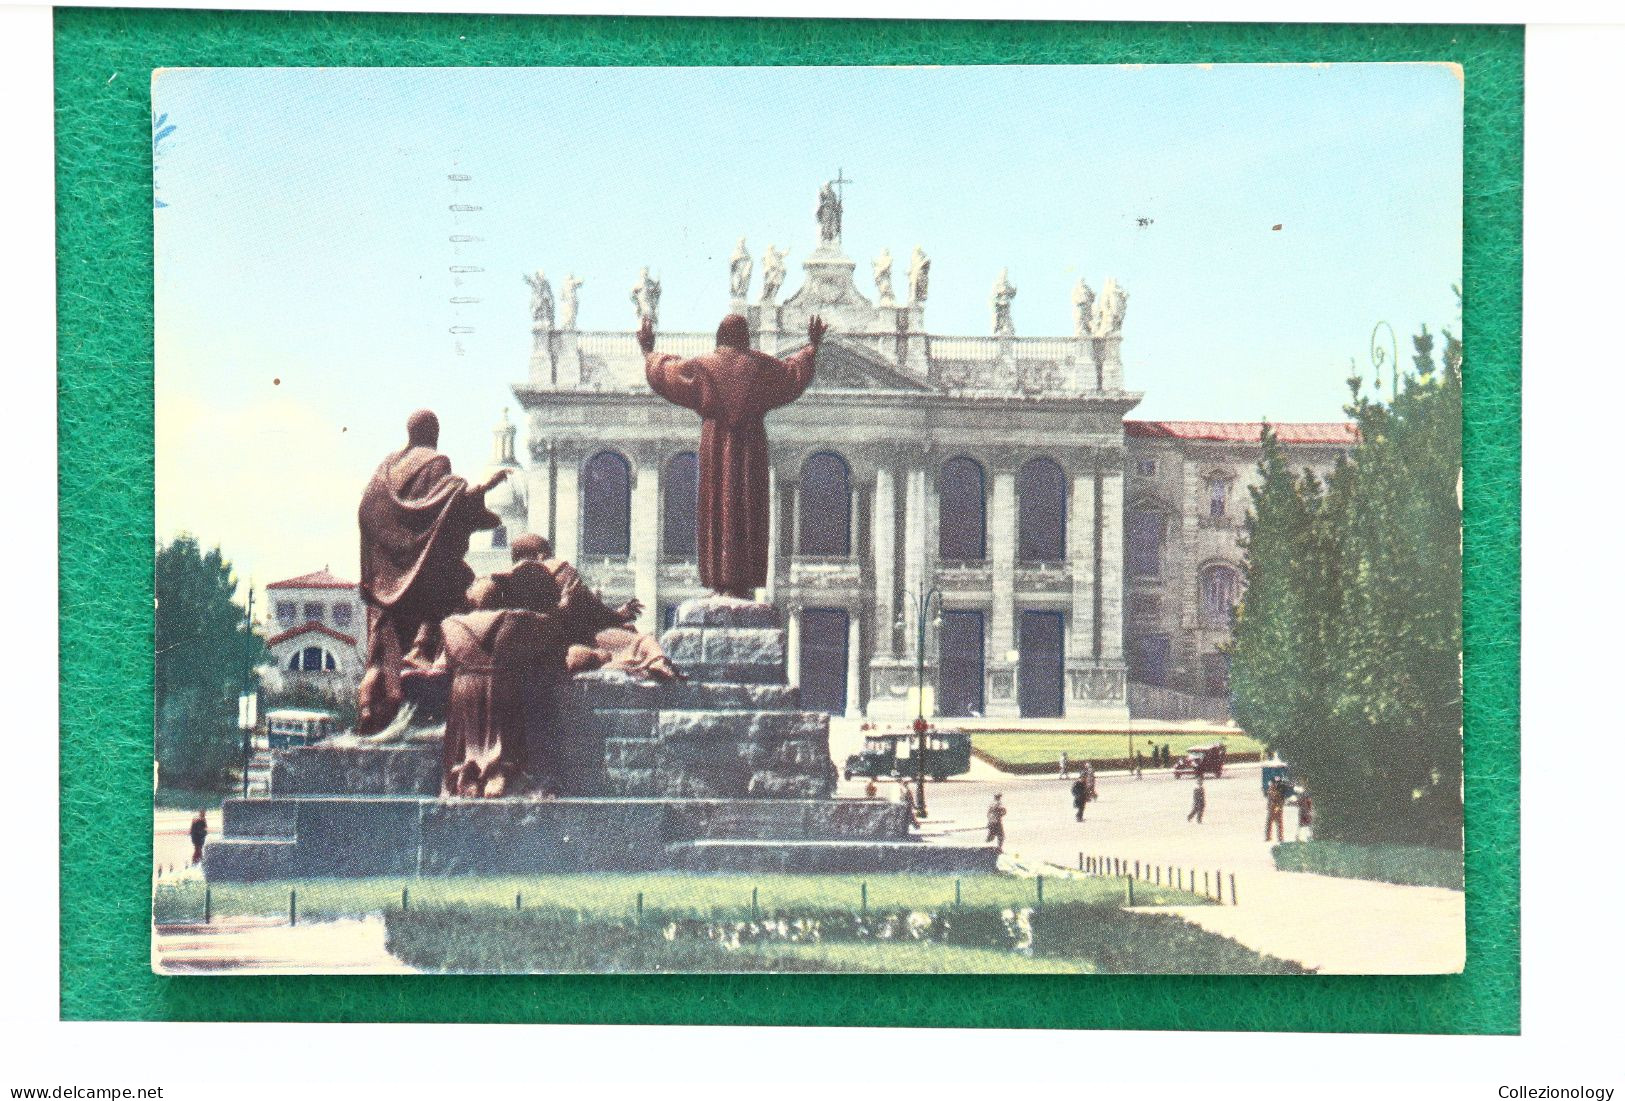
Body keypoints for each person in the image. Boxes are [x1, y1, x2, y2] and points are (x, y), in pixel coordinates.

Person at [642, 313, 825, 598]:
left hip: (715, 443)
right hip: (751, 447)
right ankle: (742, 584)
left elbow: (666, 374)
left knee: (717, 506)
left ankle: (719, 581)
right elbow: (792, 374)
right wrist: (811, 347)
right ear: (745, 338)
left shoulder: (704, 366)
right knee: (748, 508)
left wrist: (649, 350)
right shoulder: (760, 366)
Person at [357, 409, 510, 733]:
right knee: (461, 588)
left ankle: (381, 700)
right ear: (433, 432)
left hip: (391, 570)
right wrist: (483, 487)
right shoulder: (435, 462)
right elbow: (445, 502)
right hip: (424, 570)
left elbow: (368, 507)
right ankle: (429, 660)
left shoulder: (387, 466)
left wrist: (393, 547)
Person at [438, 578, 568, 797]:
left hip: (464, 689)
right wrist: (561, 606)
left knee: (466, 732)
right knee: (503, 733)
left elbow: (444, 661)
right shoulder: (514, 619)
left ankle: (466, 772)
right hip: (500, 685)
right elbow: (550, 629)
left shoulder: (450, 625)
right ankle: (497, 772)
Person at [498, 534, 682, 682]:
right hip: (580, 640)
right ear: (540, 554)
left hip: (546, 654)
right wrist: (618, 615)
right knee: (640, 640)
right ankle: (657, 661)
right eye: (548, 553)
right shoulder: (560, 569)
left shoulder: (506, 586)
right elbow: (590, 607)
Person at [1265, 776, 1287, 842]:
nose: (1272, 784)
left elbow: (1281, 800)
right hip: (1273, 808)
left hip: (1276, 808)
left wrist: (1277, 807)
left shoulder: (1278, 790)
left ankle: (1279, 838)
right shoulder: (1272, 789)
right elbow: (1270, 799)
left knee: (1277, 823)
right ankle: (1271, 837)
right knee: (1272, 823)